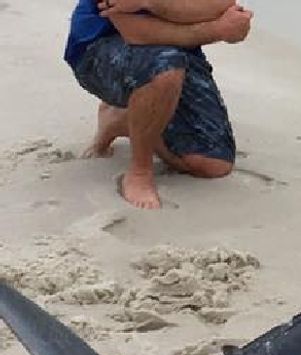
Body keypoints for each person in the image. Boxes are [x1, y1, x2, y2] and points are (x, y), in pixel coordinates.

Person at [64, 0, 254, 209]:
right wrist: (217, 29)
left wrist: (151, 3)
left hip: (178, 49)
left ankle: (122, 120)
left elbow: (221, 6)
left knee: (213, 164)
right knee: (164, 65)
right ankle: (140, 171)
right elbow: (136, 32)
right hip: (98, 48)